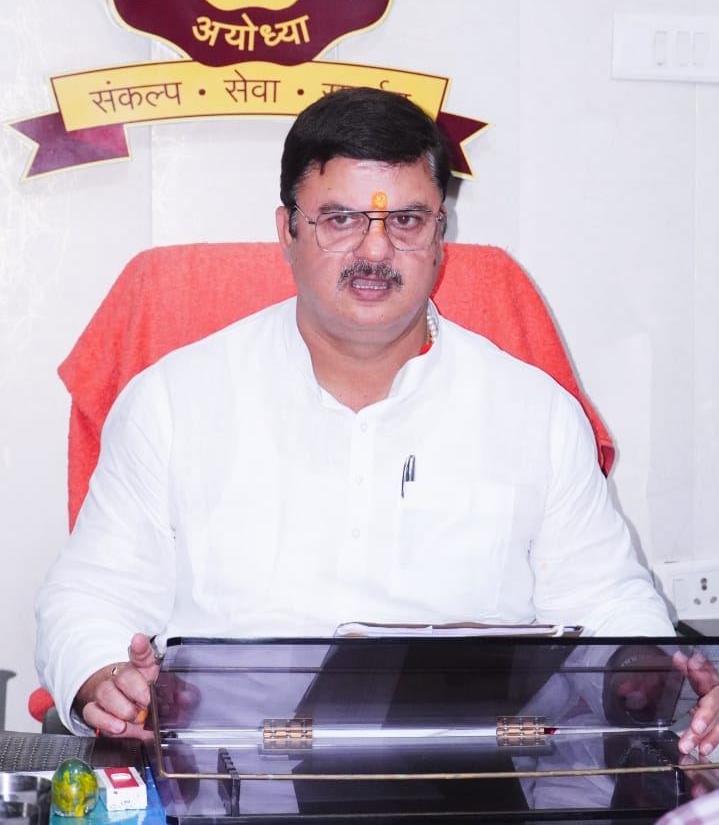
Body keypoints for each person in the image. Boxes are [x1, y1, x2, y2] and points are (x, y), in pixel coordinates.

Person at [34, 87, 719, 767]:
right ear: (287, 231)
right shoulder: (174, 401)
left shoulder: (533, 411)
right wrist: (103, 677)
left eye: (408, 221)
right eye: (340, 220)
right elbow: (91, 595)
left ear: (440, 237)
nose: (376, 249)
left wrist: (642, 667)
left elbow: (604, 596)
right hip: (229, 769)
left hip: (473, 776)